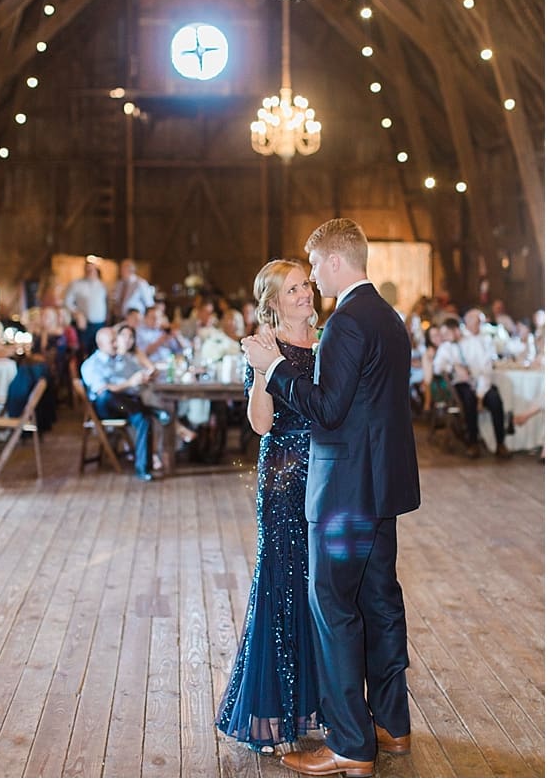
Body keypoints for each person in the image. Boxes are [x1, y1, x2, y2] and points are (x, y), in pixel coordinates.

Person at [242, 218, 420, 777]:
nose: (312, 276)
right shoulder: (388, 316)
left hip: (343, 492)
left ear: (336, 262)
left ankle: (350, 744)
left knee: (335, 611)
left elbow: (328, 409)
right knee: (382, 606)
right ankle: (392, 726)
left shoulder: (345, 322)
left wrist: (271, 369)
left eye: (314, 265)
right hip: (381, 486)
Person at [216, 260, 322, 753]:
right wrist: (262, 370)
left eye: (307, 284)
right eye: (295, 288)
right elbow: (260, 424)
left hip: (327, 472)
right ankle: (273, 713)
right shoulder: (264, 346)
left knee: (320, 588)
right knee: (282, 580)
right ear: (274, 302)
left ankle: (315, 708)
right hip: (284, 476)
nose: (306, 293)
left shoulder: (327, 340)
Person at [79, 326, 163, 481]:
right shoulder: (92, 364)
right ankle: (151, 410)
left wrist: (145, 376)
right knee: (108, 396)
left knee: (143, 418)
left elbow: (139, 374)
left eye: (116, 340)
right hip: (106, 408)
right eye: (112, 342)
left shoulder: (122, 359)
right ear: (100, 344)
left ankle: (143, 468)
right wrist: (129, 383)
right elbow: (102, 390)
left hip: (126, 407)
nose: (117, 344)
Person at [433, 313, 511, 459]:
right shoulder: (446, 347)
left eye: (446, 333)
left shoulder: (474, 342)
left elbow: (485, 369)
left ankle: (500, 443)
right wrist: (453, 366)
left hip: (480, 382)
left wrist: (480, 396)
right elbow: (437, 367)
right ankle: (472, 442)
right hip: (462, 385)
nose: (443, 337)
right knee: (468, 398)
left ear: (456, 330)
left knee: (494, 398)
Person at [64, 258, 108, 357]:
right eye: (87, 269)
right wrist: (77, 314)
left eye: (92, 269)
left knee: (98, 352)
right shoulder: (76, 284)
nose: (90, 272)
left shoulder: (102, 285)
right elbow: (67, 302)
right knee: (82, 352)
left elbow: (107, 303)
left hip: (100, 324)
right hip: (84, 325)